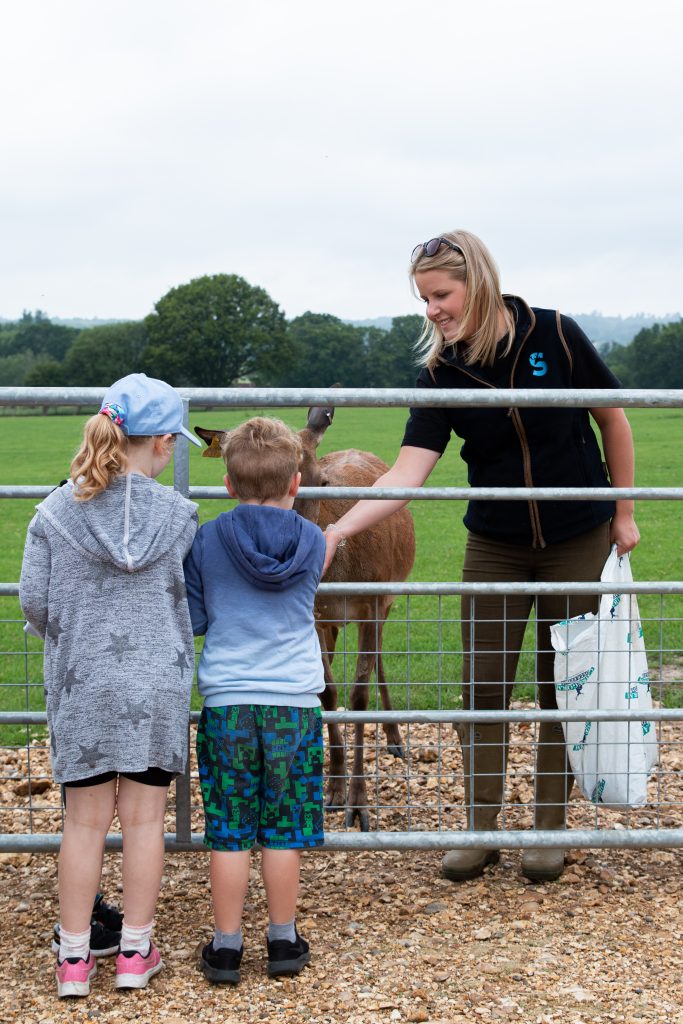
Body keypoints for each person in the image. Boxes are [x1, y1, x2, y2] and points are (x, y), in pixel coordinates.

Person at [323, 229, 640, 884]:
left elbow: (612, 418)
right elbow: (404, 474)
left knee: (563, 682)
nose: (431, 309)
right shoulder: (442, 373)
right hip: (494, 543)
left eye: (439, 294)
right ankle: (481, 829)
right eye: (423, 299)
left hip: (576, 535)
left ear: (477, 281)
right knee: (482, 687)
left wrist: (624, 510)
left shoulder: (553, 335)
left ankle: (547, 832)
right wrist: (336, 532)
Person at [19, 373, 200, 997]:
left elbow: (35, 604)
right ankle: (133, 953)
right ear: (158, 444)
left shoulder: (53, 511)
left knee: (84, 823)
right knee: (145, 822)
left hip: (82, 687)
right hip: (155, 687)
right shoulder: (179, 516)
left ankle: (74, 961)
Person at [183, 416, 326, 986]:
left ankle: (225, 949)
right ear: (296, 482)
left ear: (227, 483)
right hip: (294, 703)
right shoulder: (313, 540)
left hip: (228, 704)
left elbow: (195, 617)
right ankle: (284, 940)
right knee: (284, 827)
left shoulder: (207, 539)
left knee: (230, 827)